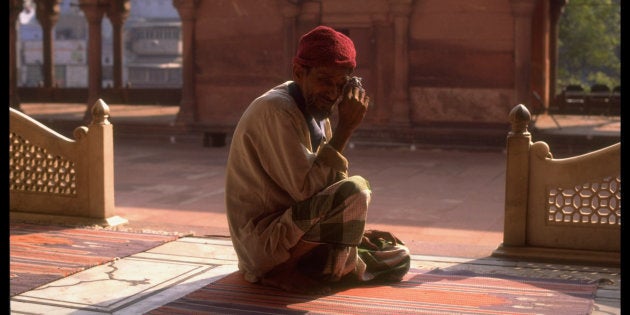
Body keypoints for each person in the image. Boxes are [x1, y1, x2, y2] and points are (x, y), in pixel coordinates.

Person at [225, 25, 410, 294]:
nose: (333, 93)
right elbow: (309, 191)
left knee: (398, 256)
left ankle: (325, 265)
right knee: (357, 189)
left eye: (340, 85)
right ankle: (279, 271)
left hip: (296, 235)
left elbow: (328, 188)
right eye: (325, 80)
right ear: (299, 72)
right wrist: (346, 128)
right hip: (265, 244)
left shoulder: (317, 111)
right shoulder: (277, 109)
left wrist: (356, 230)